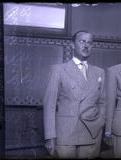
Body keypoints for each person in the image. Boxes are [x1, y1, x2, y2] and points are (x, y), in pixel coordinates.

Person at [43, 30, 106, 158]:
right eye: (82, 41)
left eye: (89, 43)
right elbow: (49, 105)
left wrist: (100, 123)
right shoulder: (59, 70)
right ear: (72, 45)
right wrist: (50, 136)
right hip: (65, 135)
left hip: (91, 134)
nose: (86, 45)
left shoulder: (99, 72)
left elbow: (103, 103)